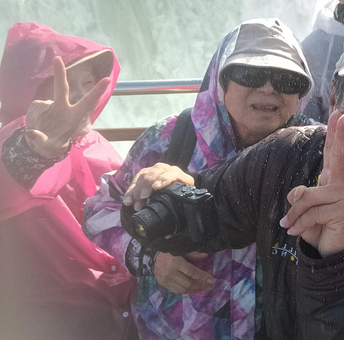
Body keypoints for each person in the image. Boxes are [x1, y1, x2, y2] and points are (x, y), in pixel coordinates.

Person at [121, 16, 344, 340]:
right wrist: (164, 197)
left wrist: (340, 257)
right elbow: (207, 212)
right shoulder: (288, 157)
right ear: (333, 101)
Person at [83, 18, 316, 340]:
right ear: (221, 80)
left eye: (287, 79)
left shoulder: (314, 151)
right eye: (249, 73)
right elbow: (100, 209)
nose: (268, 88)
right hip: (170, 329)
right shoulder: (170, 139)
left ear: (301, 92)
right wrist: (151, 257)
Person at [0, 22, 132, 340]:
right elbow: (12, 176)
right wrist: (37, 151)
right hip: (52, 318)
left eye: (91, 81)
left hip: (119, 301)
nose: (88, 92)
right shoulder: (15, 138)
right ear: (34, 92)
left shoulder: (94, 142)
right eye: (67, 82)